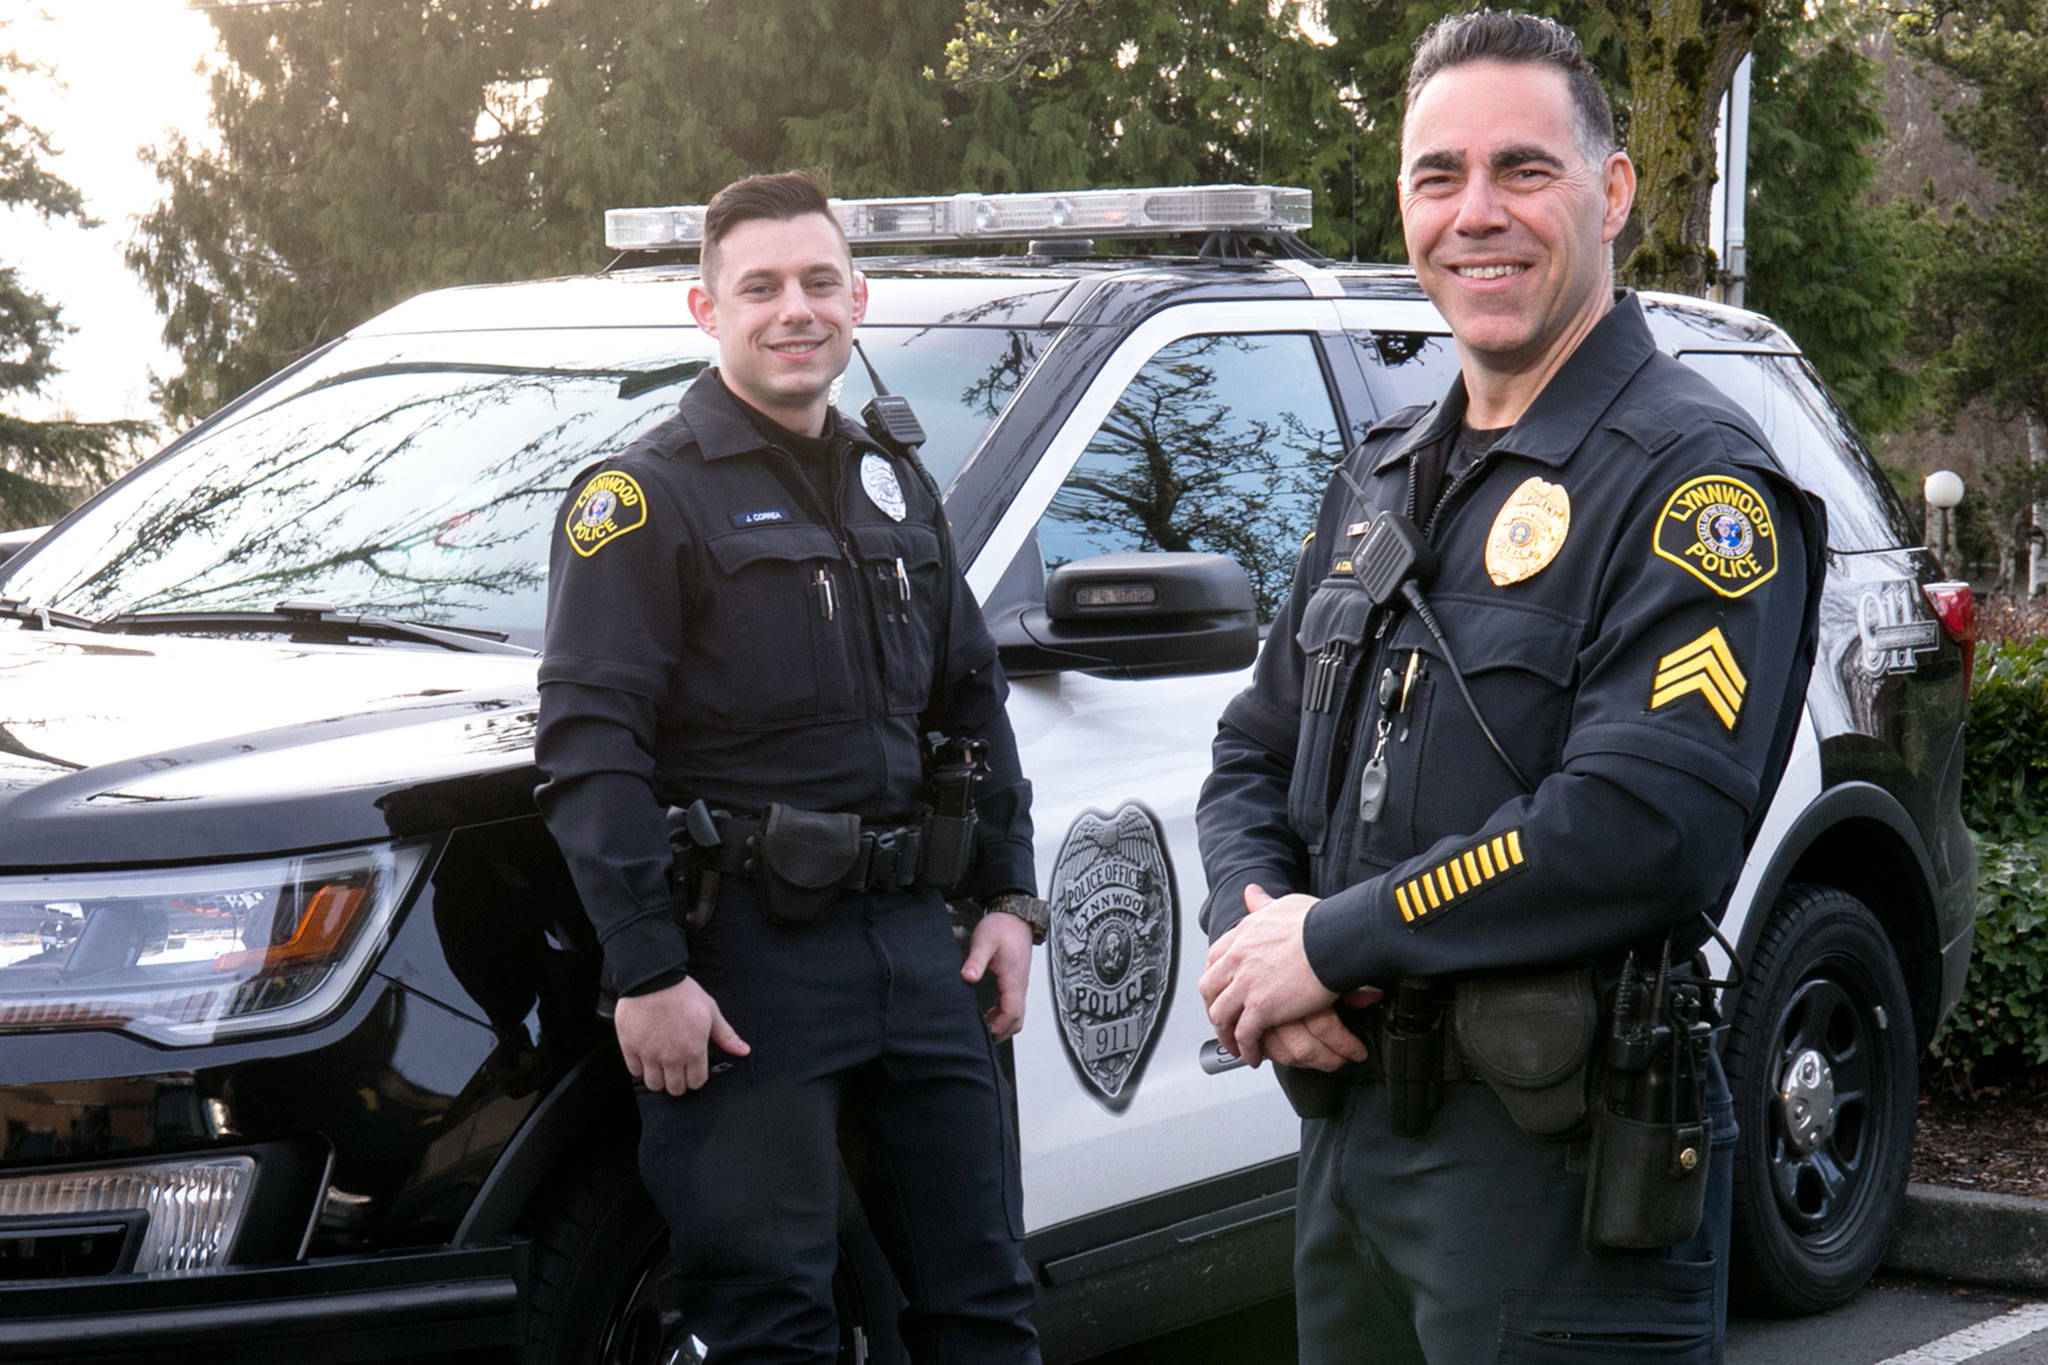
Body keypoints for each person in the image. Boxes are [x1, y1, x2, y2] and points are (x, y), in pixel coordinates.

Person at [1194, 12, 1825, 1362]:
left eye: (1523, 171)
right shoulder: (1377, 478)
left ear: (1610, 194)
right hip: (1353, 1144)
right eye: (1439, 176)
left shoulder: (1694, 487)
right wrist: (1261, 935)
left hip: (1559, 1176)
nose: (1475, 214)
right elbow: (1251, 752)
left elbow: (1636, 829)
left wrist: (1335, 940)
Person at [535, 169, 1045, 1364]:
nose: (794, 310)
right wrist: (648, 971)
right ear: (704, 311)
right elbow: (588, 755)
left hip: (919, 951)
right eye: (758, 288)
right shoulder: (640, 500)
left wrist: (1009, 901)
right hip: (746, 972)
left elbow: (969, 696)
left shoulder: (892, 481)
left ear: (859, 298)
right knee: (773, 1330)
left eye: (819, 282)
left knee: (985, 1306)